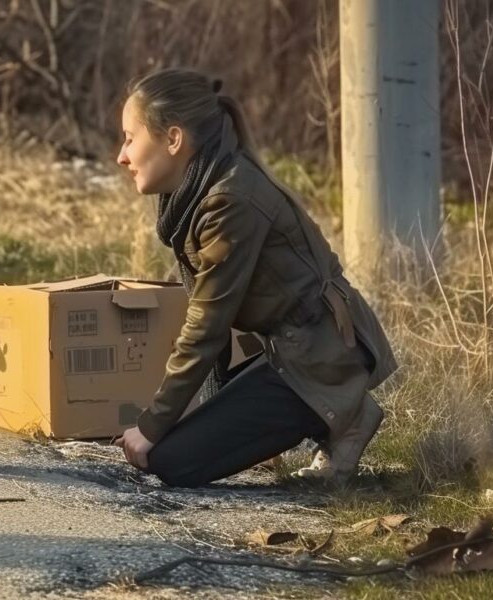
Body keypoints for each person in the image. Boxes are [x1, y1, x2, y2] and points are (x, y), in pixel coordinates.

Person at [112, 69, 398, 487]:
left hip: (319, 358)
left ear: (173, 140)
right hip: (290, 348)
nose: (122, 156)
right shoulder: (203, 190)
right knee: (170, 445)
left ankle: (346, 417)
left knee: (171, 462)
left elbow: (207, 328)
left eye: (129, 138)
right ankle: (330, 415)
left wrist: (152, 425)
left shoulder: (230, 200)